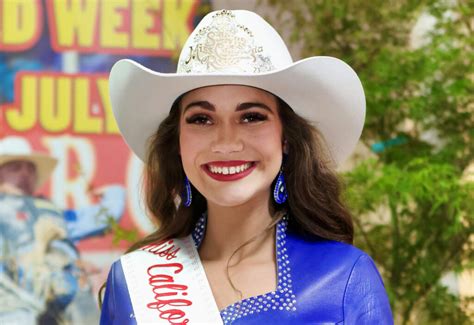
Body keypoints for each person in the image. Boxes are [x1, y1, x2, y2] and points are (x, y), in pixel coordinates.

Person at [100, 9, 393, 324]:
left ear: (286, 138)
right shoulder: (133, 283)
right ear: (178, 142)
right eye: (202, 119)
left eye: (251, 116)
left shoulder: (344, 281)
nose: (226, 142)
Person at [0, 136, 125, 324]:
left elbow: (106, 217)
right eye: (16, 167)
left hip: (69, 305)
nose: (25, 173)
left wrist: (114, 194)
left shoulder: (54, 212)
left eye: (30, 168)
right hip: (17, 309)